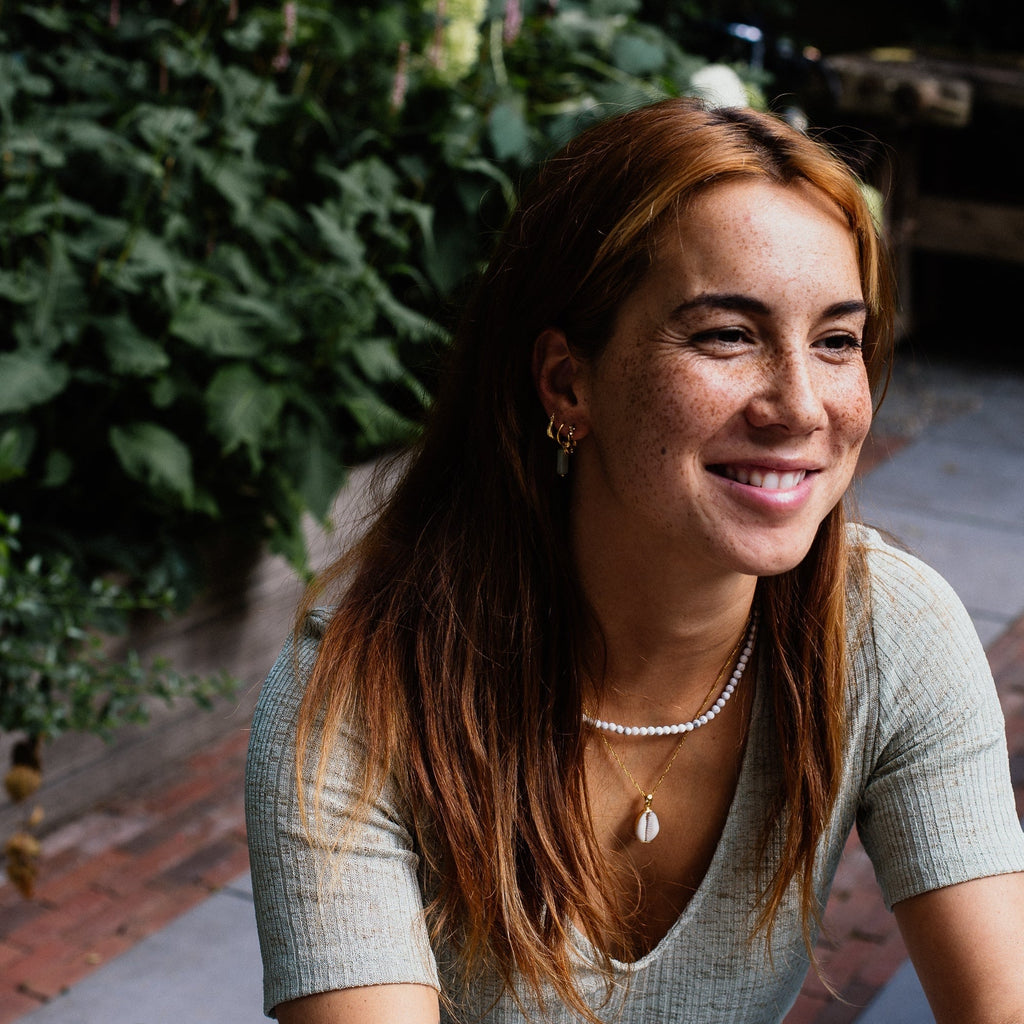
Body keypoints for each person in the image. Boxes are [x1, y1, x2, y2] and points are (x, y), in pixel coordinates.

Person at [245, 98, 1024, 1024]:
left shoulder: (888, 633)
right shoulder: (363, 692)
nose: (803, 405)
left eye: (836, 341)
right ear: (568, 381)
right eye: (727, 334)